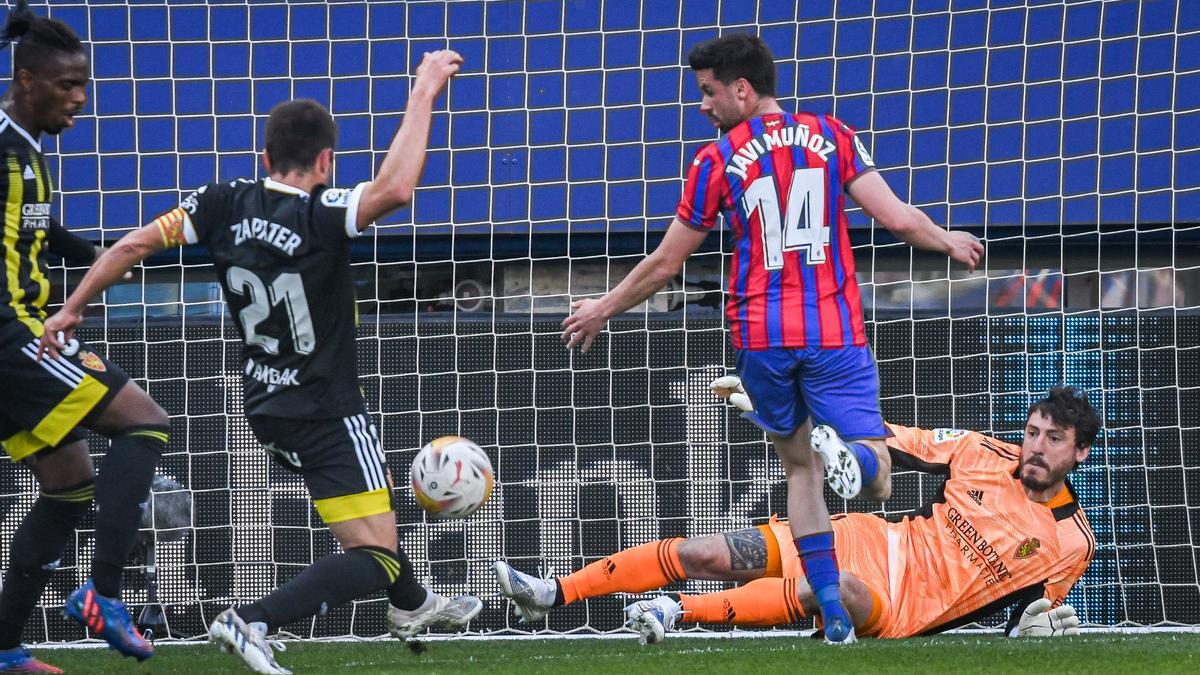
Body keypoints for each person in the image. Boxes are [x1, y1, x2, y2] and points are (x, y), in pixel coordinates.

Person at [39, 51, 478, 675]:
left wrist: (74, 307)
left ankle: (413, 605)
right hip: (327, 408)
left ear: (265, 158)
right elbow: (396, 189)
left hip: (266, 404)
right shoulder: (322, 212)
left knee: (374, 522)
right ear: (326, 162)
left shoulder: (218, 202)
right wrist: (425, 90)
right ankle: (253, 621)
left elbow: (134, 244)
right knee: (375, 553)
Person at [559, 33, 984, 643]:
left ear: (741, 88)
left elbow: (665, 265)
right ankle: (853, 458)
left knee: (800, 471)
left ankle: (834, 612)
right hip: (834, 330)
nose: (702, 106)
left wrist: (604, 307)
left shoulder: (714, 161)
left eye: (708, 93)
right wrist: (946, 239)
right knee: (877, 474)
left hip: (760, 337)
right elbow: (892, 218)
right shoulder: (833, 135)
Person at [495, 386, 1098, 644]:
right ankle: (553, 593)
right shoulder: (978, 453)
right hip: (869, 536)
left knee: (828, 589)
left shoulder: (1072, 543)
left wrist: (1034, 630)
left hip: (902, 608)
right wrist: (798, 416)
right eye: (1033, 432)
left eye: (1053, 439)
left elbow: (1030, 623)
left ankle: (674, 611)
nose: (1035, 447)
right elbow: (885, 438)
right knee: (707, 553)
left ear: (1079, 452)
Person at [0, 3, 172, 670]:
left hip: (20, 336)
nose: (79, 99)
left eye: (84, 86)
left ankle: (8, 648)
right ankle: (102, 592)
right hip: (12, 336)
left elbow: (41, 235)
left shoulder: (29, 152)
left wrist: (117, 257)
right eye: (67, 85)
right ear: (25, 79)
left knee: (70, 482)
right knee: (147, 423)